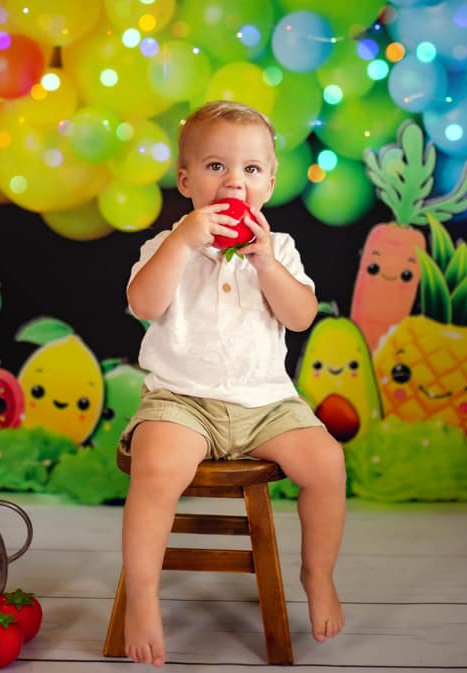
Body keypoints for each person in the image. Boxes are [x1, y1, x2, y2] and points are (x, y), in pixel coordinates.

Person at [118, 100, 347, 667]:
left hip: (266, 402)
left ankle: (317, 573)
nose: (233, 182)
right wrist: (181, 243)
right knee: (156, 468)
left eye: (249, 170)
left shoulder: (281, 249)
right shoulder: (165, 245)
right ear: (186, 179)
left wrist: (266, 263)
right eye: (216, 167)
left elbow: (300, 316)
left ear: (269, 182)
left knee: (326, 465)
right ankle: (142, 595)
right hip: (181, 400)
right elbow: (142, 303)